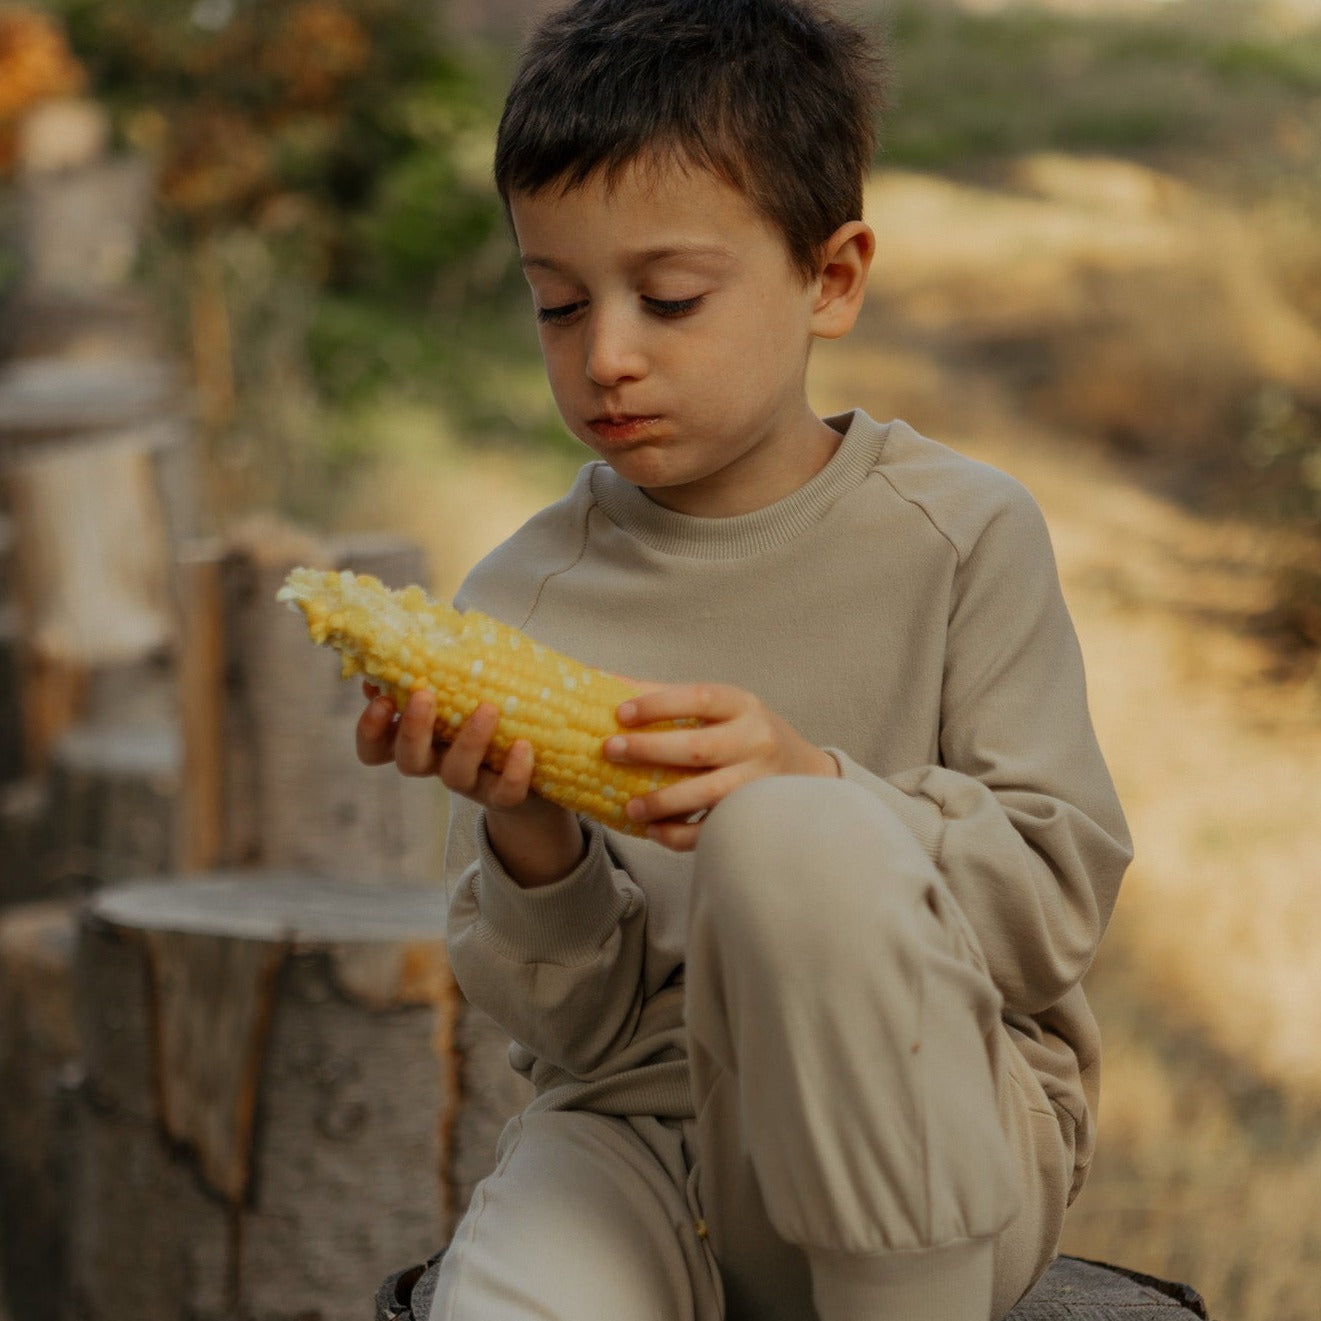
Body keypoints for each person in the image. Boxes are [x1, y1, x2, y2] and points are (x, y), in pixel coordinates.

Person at [359, 1, 1133, 1317]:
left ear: (829, 278)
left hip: (940, 1140)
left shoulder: (958, 536)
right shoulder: (519, 595)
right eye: (555, 303)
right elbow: (574, 1037)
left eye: (668, 299)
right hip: (638, 1136)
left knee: (789, 838)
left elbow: (1054, 902)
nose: (605, 354)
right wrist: (530, 832)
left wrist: (816, 785)